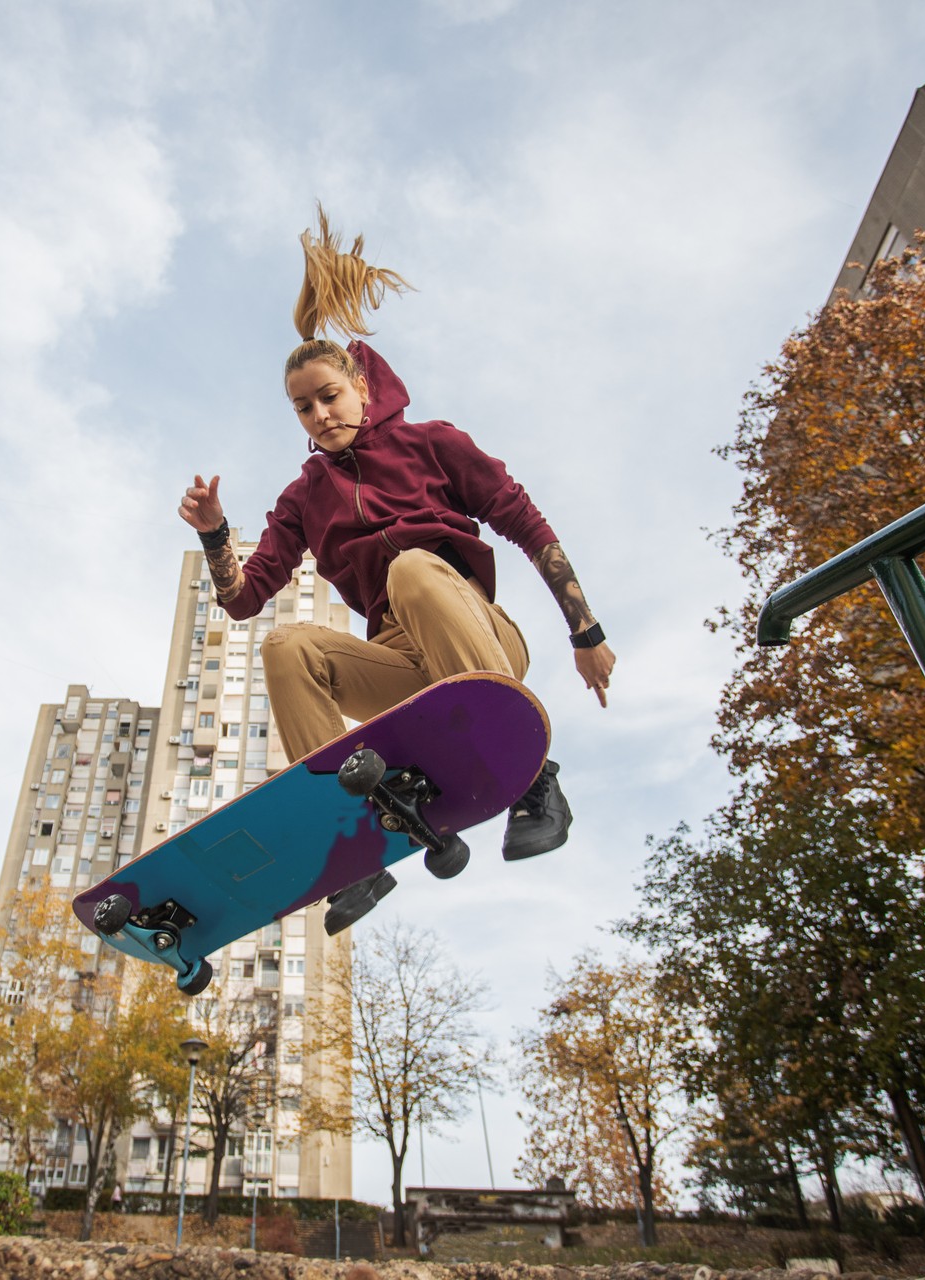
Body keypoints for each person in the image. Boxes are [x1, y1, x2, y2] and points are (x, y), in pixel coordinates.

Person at [176, 208, 616, 934]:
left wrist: (586, 630)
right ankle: (350, 841)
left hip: (478, 639)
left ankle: (536, 783)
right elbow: (244, 600)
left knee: (413, 568)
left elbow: (528, 525)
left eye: (330, 397)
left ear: (363, 388)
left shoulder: (432, 444)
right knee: (288, 646)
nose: (319, 414)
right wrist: (217, 534)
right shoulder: (304, 498)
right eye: (303, 408)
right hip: (401, 671)